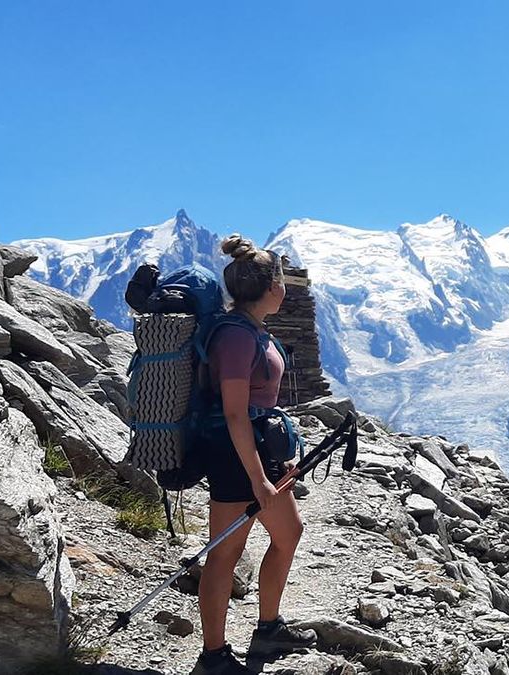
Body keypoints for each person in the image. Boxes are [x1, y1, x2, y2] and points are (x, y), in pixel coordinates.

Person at [191, 235, 317, 675]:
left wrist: (280, 458)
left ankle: (268, 628)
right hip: (236, 457)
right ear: (270, 288)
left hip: (260, 451)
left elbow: (258, 408)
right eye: (281, 281)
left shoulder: (251, 330)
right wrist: (259, 478)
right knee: (225, 553)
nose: (285, 288)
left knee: (289, 533)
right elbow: (233, 413)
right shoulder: (236, 338)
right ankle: (214, 656)